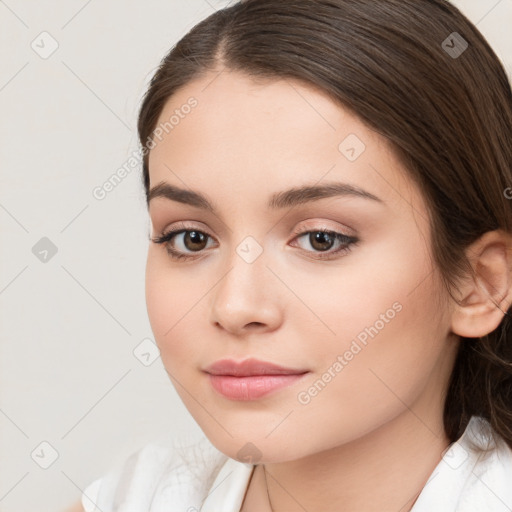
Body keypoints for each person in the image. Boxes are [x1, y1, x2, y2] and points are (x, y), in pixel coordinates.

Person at [69, 0, 512, 510]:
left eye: (321, 239)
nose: (235, 307)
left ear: (480, 284)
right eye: (191, 238)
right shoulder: (134, 499)